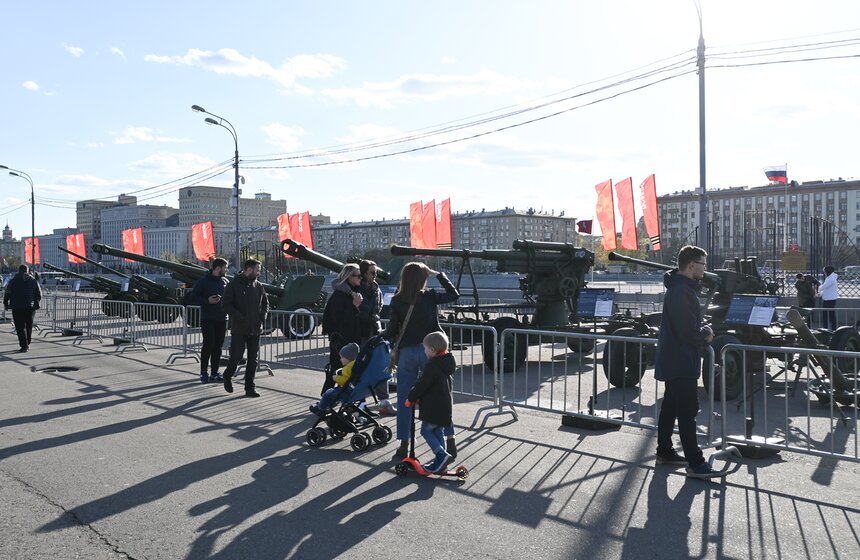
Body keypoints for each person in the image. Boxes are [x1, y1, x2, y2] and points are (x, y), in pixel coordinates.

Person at [654, 245, 718, 479]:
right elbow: (686, 331)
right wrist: (705, 335)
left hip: (674, 359)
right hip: (681, 360)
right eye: (702, 263)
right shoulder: (682, 291)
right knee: (688, 412)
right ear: (691, 265)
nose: (705, 268)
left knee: (670, 408)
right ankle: (695, 462)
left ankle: (664, 452)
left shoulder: (679, 289)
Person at [383, 262, 459, 458]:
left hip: (407, 353)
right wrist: (439, 274)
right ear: (423, 278)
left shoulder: (398, 300)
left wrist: (380, 335)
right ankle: (449, 440)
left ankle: (404, 444)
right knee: (441, 397)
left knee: (404, 400)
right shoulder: (430, 296)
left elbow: (392, 330)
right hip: (431, 352)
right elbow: (454, 295)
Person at [329, 259, 395, 414]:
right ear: (364, 274)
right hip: (362, 333)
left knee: (381, 366)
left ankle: (384, 401)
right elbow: (337, 283)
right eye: (372, 272)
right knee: (359, 369)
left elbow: (376, 310)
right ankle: (359, 404)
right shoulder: (355, 289)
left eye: (376, 272)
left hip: (375, 331)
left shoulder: (376, 288)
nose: (375, 275)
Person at [405, 331, 457, 473]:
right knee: (437, 430)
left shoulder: (432, 366)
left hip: (434, 407)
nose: (424, 351)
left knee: (426, 430)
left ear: (432, 350)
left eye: (425, 348)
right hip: (444, 407)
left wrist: (410, 397)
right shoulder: (447, 363)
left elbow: (422, 384)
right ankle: (442, 461)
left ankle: (441, 455)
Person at [221, 259, 269, 398]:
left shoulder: (258, 286)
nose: (259, 273)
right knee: (236, 356)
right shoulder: (233, 285)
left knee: (253, 360)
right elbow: (226, 305)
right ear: (249, 269)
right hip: (239, 328)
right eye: (257, 270)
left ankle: (250, 388)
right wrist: (238, 316)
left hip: (255, 328)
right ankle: (227, 375)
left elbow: (266, 303)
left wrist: (262, 317)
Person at [321, 264, 364, 395]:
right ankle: (325, 398)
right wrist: (355, 307)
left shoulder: (353, 293)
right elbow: (339, 319)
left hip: (350, 338)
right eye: (357, 276)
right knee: (336, 368)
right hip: (340, 340)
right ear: (349, 277)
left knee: (347, 370)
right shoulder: (339, 296)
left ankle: (336, 398)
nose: (360, 278)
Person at [191, 257, 229, 384]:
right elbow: (193, 296)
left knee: (218, 347)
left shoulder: (225, 281)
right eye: (225, 267)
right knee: (208, 345)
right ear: (218, 268)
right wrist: (207, 301)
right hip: (208, 318)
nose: (226, 270)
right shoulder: (204, 281)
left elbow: (230, 297)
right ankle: (203, 372)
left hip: (222, 318)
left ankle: (214, 373)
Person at [309, 342, 360, 416]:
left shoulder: (348, 368)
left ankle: (320, 408)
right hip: (356, 391)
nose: (340, 359)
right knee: (334, 393)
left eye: (342, 357)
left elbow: (345, 381)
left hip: (346, 392)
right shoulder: (356, 365)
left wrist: (337, 378)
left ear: (349, 358)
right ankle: (348, 412)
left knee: (328, 393)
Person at [3, 264, 42, 353]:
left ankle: (24, 345)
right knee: (29, 326)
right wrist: (36, 303)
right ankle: (28, 342)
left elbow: (8, 293)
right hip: (30, 307)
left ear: (18, 271)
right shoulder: (33, 281)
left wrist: (5, 303)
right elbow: (39, 294)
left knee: (20, 327)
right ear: (27, 271)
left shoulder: (13, 281)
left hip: (17, 307)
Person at [817, 265, 839, 330]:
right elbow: (826, 289)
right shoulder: (830, 277)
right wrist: (820, 294)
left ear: (827, 271)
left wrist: (818, 288)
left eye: (825, 272)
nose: (824, 273)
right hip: (828, 298)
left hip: (829, 299)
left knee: (829, 315)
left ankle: (831, 329)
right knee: (828, 315)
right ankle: (827, 328)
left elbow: (824, 287)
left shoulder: (831, 278)